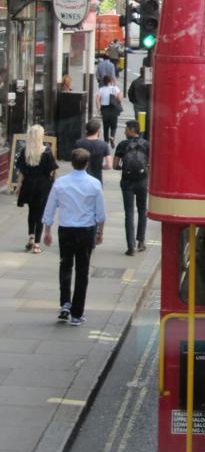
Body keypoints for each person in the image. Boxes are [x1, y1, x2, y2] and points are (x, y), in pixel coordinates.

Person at [42, 147, 106, 326]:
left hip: (65, 230)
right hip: (85, 231)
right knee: (82, 271)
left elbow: (50, 206)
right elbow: (100, 213)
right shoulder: (94, 184)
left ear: (71, 163)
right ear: (87, 164)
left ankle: (65, 304)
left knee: (65, 266)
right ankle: (77, 314)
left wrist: (47, 231)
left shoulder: (61, 182)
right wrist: (100, 232)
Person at [16, 124, 58, 253]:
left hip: (29, 185)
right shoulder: (46, 151)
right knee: (40, 214)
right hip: (42, 186)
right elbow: (51, 171)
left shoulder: (25, 151)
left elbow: (21, 172)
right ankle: (37, 244)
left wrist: (18, 186)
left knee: (31, 212)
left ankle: (31, 238)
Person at [114, 119, 150, 257]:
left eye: (126, 129)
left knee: (129, 213)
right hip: (142, 181)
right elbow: (150, 163)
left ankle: (130, 247)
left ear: (132, 130)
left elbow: (115, 165)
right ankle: (141, 241)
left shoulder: (123, 145)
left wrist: (123, 168)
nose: (124, 132)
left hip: (127, 182)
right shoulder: (146, 144)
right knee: (142, 210)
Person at [74, 117, 112, 185]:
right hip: (96, 178)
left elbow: (74, 160)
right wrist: (101, 166)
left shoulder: (78, 143)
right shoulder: (104, 145)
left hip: (80, 178)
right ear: (98, 130)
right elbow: (109, 165)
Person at [96, 74, 122, 145]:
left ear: (103, 82)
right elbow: (120, 99)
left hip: (104, 109)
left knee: (105, 126)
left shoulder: (101, 90)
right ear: (111, 81)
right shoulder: (115, 88)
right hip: (113, 109)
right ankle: (112, 137)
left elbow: (97, 100)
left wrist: (99, 109)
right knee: (114, 126)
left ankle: (106, 142)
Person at [127, 66, 150, 133]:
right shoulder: (149, 83)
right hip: (148, 106)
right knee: (148, 123)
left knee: (139, 124)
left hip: (138, 105)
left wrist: (134, 101)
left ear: (140, 72)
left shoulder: (135, 82)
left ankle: (140, 137)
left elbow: (130, 93)